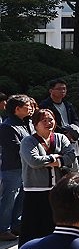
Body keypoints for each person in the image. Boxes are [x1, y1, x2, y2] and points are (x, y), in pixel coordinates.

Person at [20, 108, 79, 246]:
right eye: (43, 120)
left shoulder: (61, 138)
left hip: (58, 190)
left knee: (56, 228)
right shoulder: (28, 141)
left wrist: (56, 162)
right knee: (32, 230)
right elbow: (34, 161)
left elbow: (71, 156)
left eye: (51, 119)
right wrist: (55, 157)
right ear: (35, 124)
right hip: (35, 192)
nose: (48, 123)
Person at [0, 94, 35, 241]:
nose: (30, 108)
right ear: (17, 108)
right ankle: (3, 229)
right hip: (11, 167)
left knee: (20, 197)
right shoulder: (7, 126)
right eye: (27, 105)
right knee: (9, 199)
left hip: (22, 167)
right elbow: (15, 148)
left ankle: (16, 224)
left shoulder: (24, 123)